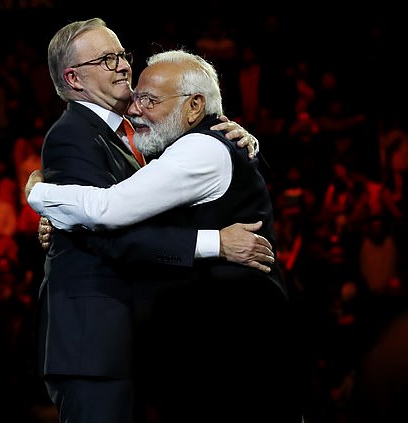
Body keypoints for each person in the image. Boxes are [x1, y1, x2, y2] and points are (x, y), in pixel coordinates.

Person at [27, 48, 304, 422]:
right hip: (218, 340)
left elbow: (110, 209)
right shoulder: (185, 145)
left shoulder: (200, 146)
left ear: (193, 106)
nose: (135, 109)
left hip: (235, 338)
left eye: (149, 100)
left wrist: (40, 194)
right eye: (136, 97)